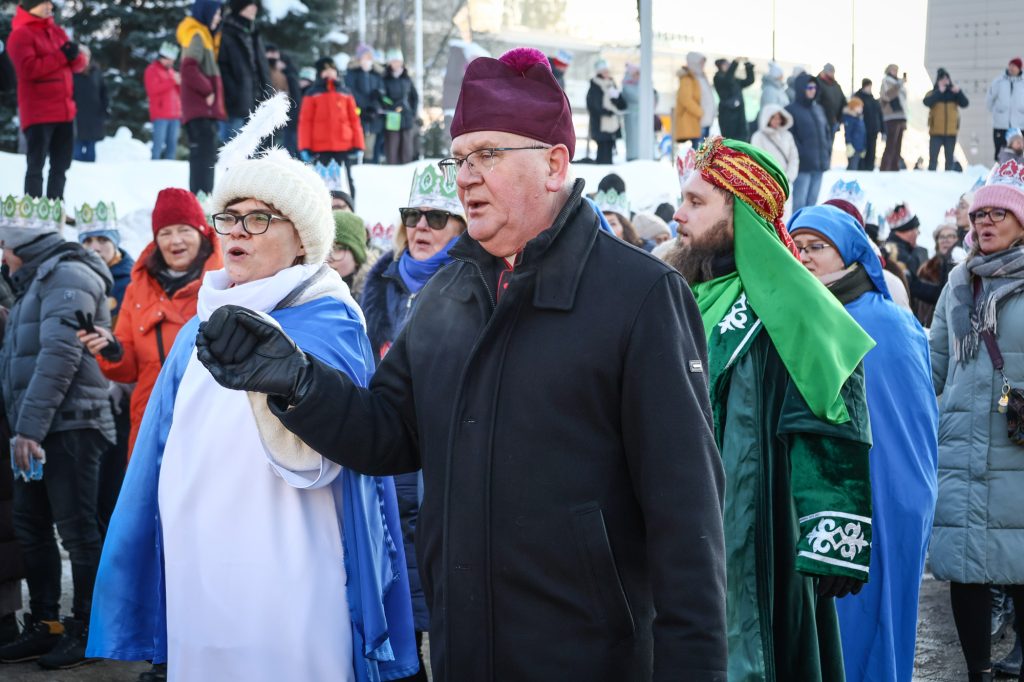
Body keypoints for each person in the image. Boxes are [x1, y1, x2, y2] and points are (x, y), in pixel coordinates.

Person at [195, 47, 728, 680]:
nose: (465, 178)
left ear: (555, 164)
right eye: (460, 158)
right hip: (464, 651)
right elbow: (388, 434)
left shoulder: (639, 295)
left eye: (488, 155)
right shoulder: (446, 293)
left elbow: (687, 514)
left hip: (590, 658)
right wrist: (298, 379)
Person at [86, 109, 419, 681]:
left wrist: (289, 381)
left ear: (301, 240)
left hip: (291, 564)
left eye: (259, 218)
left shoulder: (330, 320)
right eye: (229, 217)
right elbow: (158, 456)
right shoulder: (198, 328)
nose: (237, 231)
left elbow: (335, 458)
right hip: (198, 568)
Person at [665, 136, 874, 681]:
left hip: (757, 521)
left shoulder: (796, 304)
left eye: (695, 202)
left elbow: (832, 413)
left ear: (740, 211)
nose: (678, 214)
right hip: (677, 523)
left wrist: (833, 527)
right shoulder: (677, 292)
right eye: (682, 199)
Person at [789, 205, 938, 682]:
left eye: (817, 247)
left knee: (872, 625)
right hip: (824, 501)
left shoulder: (890, 323)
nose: (804, 257)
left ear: (850, 254)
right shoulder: (798, 316)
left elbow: (914, 421)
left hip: (888, 499)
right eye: (797, 246)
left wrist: (903, 500)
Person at [0, 194, 115, 670]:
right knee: (30, 526)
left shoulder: (68, 274)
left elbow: (59, 356)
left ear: (20, 245)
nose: (2, 256)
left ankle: (88, 630)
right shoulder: (35, 279)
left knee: (78, 533)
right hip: (39, 428)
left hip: (72, 426)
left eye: (4, 245)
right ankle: (45, 624)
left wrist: (27, 429)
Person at [929, 159, 1024, 682]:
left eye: (998, 214)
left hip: (1018, 444)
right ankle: (977, 672)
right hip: (963, 447)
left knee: (1020, 561)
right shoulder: (958, 284)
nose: (985, 222)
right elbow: (935, 363)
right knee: (964, 568)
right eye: (979, 215)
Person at [77, 188, 222, 458]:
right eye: (165, 233)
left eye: (184, 230)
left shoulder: (226, 281)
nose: (175, 240)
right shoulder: (139, 287)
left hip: (211, 423)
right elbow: (129, 367)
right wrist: (112, 350)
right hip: (151, 422)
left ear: (202, 233)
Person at [361, 163, 465, 362]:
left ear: (461, 229)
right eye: (413, 215)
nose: (421, 226)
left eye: (436, 217)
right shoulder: (379, 283)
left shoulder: (472, 287)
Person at [75, 201, 134, 538]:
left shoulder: (130, 280)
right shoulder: (77, 277)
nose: (95, 247)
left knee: (115, 477)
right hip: (88, 387)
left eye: (101, 239)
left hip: (121, 389)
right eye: (87, 241)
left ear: (115, 242)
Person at [8, 0, 87, 199]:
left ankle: (56, 206)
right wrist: (62, 56)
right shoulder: (21, 34)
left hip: (65, 111)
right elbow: (28, 69)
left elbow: (78, 66)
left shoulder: (56, 31)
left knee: (61, 166)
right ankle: (34, 208)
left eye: (50, 4)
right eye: (43, 3)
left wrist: (76, 56)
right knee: (36, 164)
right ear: (30, 6)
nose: (49, 7)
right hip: (39, 111)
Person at [176, 0, 225, 194]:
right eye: (216, 13)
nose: (218, 18)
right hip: (200, 107)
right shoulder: (197, 35)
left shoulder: (204, 35)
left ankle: (201, 199)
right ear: (206, 12)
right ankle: (202, 199)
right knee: (204, 158)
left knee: (203, 156)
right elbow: (188, 68)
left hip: (201, 109)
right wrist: (208, 90)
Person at [299, 57, 364, 200]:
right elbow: (305, 122)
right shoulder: (312, 93)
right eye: (325, 70)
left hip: (343, 147)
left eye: (332, 70)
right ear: (319, 73)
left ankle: (349, 207)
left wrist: (358, 144)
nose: (329, 73)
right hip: (321, 148)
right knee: (322, 183)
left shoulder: (345, 92)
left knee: (346, 181)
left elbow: (354, 119)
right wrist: (305, 146)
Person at [217, 0, 269, 142]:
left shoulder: (253, 33)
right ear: (240, 7)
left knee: (250, 150)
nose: (254, 9)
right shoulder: (226, 32)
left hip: (255, 102)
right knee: (232, 148)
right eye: (250, 5)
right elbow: (222, 67)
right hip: (235, 104)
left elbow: (261, 67)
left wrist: (266, 93)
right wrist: (233, 93)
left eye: (255, 5)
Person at [885, 203, 941, 318]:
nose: (918, 234)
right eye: (916, 230)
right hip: (898, 313)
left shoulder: (894, 249)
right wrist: (941, 294)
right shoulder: (898, 254)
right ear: (908, 231)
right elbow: (911, 286)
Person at [787, 73, 830, 210]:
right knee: (799, 204)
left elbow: (826, 133)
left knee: (812, 204)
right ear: (801, 89)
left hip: (819, 165)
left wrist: (827, 151)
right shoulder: (791, 110)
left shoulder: (819, 109)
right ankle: (797, 225)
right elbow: (790, 138)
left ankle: (808, 225)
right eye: (809, 87)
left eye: (814, 87)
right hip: (803, 166)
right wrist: (802, 154)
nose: (813, 90)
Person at [751, 104, 799, 219]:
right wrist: (770, 181)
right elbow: (756, 161)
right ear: (767, 118)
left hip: (786, 184)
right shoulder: (758, 137)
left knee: (785, 216)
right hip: (767, 186)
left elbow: (794, 158)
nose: (777, 120)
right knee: (768, 218)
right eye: (773, 117)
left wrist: (788, 178)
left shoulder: (787, 136)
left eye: (779, 118)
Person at [915, 217, 964, 327]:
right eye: (942, 237)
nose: (945, 240)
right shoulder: (926, 267)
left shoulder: (961, 266)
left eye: (951, 236)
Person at [345, 43, 384, 164]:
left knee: (370, 148)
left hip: (373, 117)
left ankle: (369, 165)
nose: (368, 59)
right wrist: (365, 105)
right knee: (356, 145)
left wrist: (376, 100)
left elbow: (382, 92)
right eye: (365, 56)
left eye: (370, 56)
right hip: (357, 114)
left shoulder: (377, 74)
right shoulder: (352, 73)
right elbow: (350, 91)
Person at [924, 68, 969, 171]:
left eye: (946, 79)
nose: (945, 81)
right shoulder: (933, 93)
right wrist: (939, 92)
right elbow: (926, 102)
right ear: (938, 81)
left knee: (949, 159)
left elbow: (965, 103)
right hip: (935, 132)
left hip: (951, 132)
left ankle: (949, 176)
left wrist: (959, 92)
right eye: (942, 79)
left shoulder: (954, 93)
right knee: (933, 160)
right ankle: (931, 176)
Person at [144, 42, 183, 161]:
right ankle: (154, 166)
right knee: (158, 145)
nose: (172, 63)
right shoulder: (152, 70)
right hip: (160, 114)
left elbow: (177, 92)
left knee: (172, 145)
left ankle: (169, 168)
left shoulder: (171, 71)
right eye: (170, 60)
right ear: (163, 58)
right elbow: (153, 90)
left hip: (175, 115)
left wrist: (179, 84)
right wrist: (172, 81)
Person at [71, 46, 108, 163]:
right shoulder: (71, 72)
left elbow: (104, 93)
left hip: (94, 118)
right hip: (76, 117)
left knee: (91, 154)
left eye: (85, 55)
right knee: (76, 154)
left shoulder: (96, 72)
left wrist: (104, 109)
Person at [381, 49, 418, 165]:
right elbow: (383, 97)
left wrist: (413, 112)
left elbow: (414, 97)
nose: (396, 64)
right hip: (392, 116)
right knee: (392, 147)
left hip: (407, 116)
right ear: (389, 63)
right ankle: (392, 169)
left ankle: (406, 169)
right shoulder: (385, 79)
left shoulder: (407, 78)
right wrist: (391, 106)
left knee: (407, 148)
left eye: (398, 61)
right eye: (394, 61)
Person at [586, 58, 626, 164]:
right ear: (599, 72)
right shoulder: (594, 86)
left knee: (609, 147)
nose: (607, 73)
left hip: (612, 123)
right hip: (600, 123)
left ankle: (607, 165)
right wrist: (606, 112)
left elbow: (621, 104)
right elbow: (593, 105)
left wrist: (616, 98)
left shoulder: (612, 85)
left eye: (607, 71)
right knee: (602, 150)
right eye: (604, 71)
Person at [986, 57, 1024, 162]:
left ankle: (1019, 170)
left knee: (1019, 152)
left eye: (1014, 66)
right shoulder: (999, 81)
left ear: (1019, 68)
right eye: (1010, 65)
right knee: (1000, 151)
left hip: (1020, 124)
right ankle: (1000, 169)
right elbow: (989, 99)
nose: (1011, 68)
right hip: (1001, 124)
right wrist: (996, 113)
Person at [328, 210, 373, 299]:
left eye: (337, 248)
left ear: (357, 255)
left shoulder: (374, 297)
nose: (327, 257)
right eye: (323, 250)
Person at [675, 52, 712, 147]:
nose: (703, 65)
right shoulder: (687, 78)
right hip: (696, 122)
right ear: (694, 63)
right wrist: (700, 112)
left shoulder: (701, 76)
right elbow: (685, 99)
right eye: (701, 63)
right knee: (698, 151)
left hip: (705, 121)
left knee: (704, 151)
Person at [714, 57, 754, 141]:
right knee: (731, 140)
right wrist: (735, 63)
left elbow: (749, 81)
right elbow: (727, 81)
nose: (728, 66)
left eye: (729, 64)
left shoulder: (734, 79)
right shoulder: (718, 78)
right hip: (727, 116)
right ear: (720, 66)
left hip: (739, 114)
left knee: (743, 138)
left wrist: (748, 65)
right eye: (725, 64)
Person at [880, 64, 908, 171]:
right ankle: (885, 167)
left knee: (898, 144)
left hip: (901, 116)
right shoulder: (886, 81)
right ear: (888, 70)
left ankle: (894, 167)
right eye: (893, 69)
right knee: (891, 143)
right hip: (891, 116)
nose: (896, 71)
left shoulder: (899, 83)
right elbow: (887, 95)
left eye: (897, 70)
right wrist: (899, 85)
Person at [815, 63, 846, 152]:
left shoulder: (836, 85)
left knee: (829, 148)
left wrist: (840, 119)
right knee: (822, 148)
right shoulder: (818, 82)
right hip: (822, 122)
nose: (832, 73)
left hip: (834, 122)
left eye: (833, 71)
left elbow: (843, 101)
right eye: (830, 71)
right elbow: (816, 102)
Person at [855, 78, 884, 170]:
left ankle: (870, 167)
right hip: (862, 129)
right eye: (869, 86)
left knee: (872, 150)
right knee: (863, 150)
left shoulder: (873, 99)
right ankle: (862, 167)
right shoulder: (858, 97)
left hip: (873, 129)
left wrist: (883, 130)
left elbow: (879, 115)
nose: (870, 88)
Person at [843, 96, 866, 171]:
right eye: (859, 107)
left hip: (859, 148)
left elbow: (863, 134)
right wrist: (848, 144)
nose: (861, 108)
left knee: (858, 169)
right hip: (852, 148)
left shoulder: (860, 119)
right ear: (853, 107)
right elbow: (847, 133)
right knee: (852, 168)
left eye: (861, 107)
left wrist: (864, 147)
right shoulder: (849, 118)